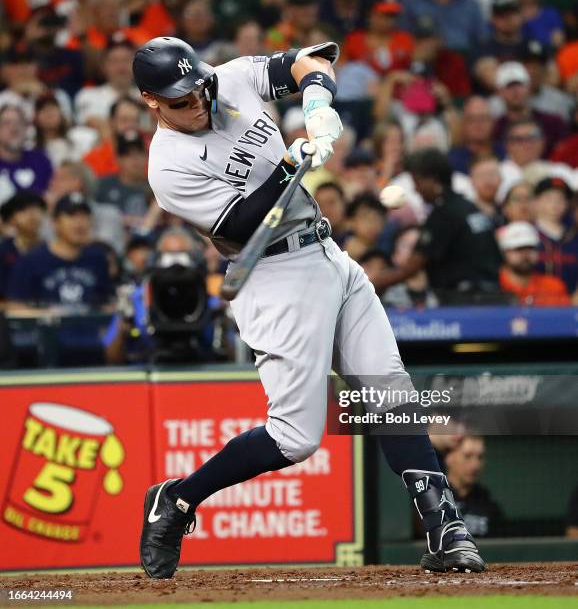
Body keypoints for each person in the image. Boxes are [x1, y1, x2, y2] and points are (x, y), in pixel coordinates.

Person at [133, 36, 485, 578]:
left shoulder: (227, 79)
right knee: (295, 439)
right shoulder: (168, 167)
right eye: (181, 99)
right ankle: (178, 499)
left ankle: (446, 528)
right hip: (274, 276)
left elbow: (308, 62)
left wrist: (317, 105)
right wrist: (288, 164)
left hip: (326, 251)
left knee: (389, 389)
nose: (198, 101)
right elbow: (240, 224)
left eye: (198, 87)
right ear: (151, 101)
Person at [374, 148, 502, 303]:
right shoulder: (469, 207)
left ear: (433, 180)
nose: (415, 189)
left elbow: (410, 269)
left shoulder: (443, 215)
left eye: (417, 182)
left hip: (464, 301)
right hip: (495, 300)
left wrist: (369, 285)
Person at [6, 194, 112, 310]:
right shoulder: (31, 261)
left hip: (90, 327)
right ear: (55, 222)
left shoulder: (98, 258)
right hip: (45, 327)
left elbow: (107, 304)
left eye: (85, 216)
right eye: (71, 215)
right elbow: (15, 307)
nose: (79, 223)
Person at [492, 61, 569, 155]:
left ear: (529, 88)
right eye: (509, 86)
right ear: (499, 92)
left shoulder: (553, 123)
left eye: (519, 85)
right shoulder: (495, 129)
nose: (515, 91)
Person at [497, 220, 570, 305]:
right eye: (518, 249)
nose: (525, 255)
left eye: (530, 248)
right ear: (504, 252)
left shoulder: (553, 287)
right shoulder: (490, 286)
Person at [445, 436, 505, 538]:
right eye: (467, 456)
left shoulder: (486, 502)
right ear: (449, 457)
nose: (475, 465)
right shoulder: (434, 496)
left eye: (480, 457)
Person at [74, 38, 140, 129]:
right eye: (115, 61)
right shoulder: (88, 95)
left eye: (126, 60)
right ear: (104, 66)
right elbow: (86, 121)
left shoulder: (150, 98)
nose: (121, 67)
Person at [532, 177, 578, 296]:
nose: (555, 204)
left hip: (572, 305)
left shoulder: (574, 236)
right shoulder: (526, 234)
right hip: (535, 303)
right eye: (549, 198)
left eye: (560, 199)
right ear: (536, 202)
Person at [343, 0, 413, 77]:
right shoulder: (355, 40)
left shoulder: (404, 39)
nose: (390, 21)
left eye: (392, 16)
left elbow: (413, 66)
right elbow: (342, 68)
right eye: (385, 16)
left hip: (397, 85)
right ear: (370, 16)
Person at [0, 105, 53, 206]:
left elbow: (52, 194)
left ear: (26, 128)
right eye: (6, 123)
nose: (14, 129)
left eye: (19, 123)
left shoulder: (41, 159)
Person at [0, 192, 46, 300]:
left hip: (47, 310)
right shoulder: (3, 251)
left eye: (37, 209)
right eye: (22, 210)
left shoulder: (52, 250)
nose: (32, 214)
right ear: (11, 219)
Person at [449, 96, 504, 175]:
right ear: (463, 124)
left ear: (492, 123)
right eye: (472, 119)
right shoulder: (452, 161)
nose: (478, 124)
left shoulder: (505, 153)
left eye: (483, 118)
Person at [470, 156, 504, 225]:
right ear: (472, 180)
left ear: (501, 178)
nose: (488, 180)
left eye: (492, 174)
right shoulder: (465, 213)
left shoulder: (509, 211)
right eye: (481, 175)